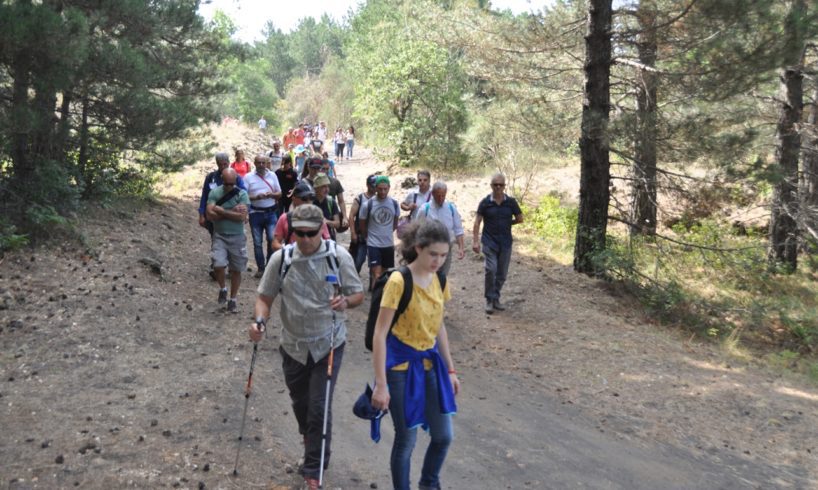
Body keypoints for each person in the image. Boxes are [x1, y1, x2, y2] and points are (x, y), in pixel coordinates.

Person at [249, 204, 365, 490]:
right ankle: (310, 438)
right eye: (298, 233)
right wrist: (259, 322)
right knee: (301, 405)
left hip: (329, 343)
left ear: (322, 231)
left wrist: (346, 302)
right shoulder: (282, 258)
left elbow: (358, 294)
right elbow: (265, 297)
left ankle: (314, 470)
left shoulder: (338, 258)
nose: (304, 239)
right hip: (292, 345)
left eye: (310, 233)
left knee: (318, 408)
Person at [371, 219, 460, 490]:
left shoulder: (441, 280)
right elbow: (379, 334)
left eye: (443, 255)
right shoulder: (399, 281)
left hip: (430, 365)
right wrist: (381, 385)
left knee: (444, 435)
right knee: (406, 439)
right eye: (433, 254)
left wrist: (451, 369)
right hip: (399, 370)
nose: (438, 261)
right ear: (418, 248)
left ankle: (428, 484)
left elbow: (439, 326)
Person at [472, 173, 523, 314]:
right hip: (489, 242)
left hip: (506, 242)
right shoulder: (485, 202)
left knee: (502, 274)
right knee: (491, 270)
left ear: (504, 186)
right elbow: (477, 222)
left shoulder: (511, 202)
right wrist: (475, 241)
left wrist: (508, 223)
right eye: (495, 185)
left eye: (501, 184)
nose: (498, 187)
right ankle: (489, 299)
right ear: (491, 186)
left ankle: (496, 298)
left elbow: (520, 218)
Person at [206, 168, 250, 313]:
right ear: (222, 181)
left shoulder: (242, 194)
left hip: (237, 236)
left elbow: (242, 218)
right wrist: (232, 211)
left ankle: (233, 299)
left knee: (236, 269)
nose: (229, 186)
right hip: (220, 235)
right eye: (227, 184)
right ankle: (223, 288)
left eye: (232, 184)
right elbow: (210, 214)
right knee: (218, 264)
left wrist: (222, 210)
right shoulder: (215, 192)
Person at [198, 152, 246, 277]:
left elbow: (244, 192)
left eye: (225, 163)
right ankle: (217, 265)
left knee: (231, 239)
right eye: (220, 164)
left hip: (231, 216)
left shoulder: (235, 177)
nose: (223, 166)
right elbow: (204, 196)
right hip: (213, 215)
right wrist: (201, 214)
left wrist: (244, 211)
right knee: (216, 239)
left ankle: (230, 266)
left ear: (229, 162)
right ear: (217, 164)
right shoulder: (211, 177)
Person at [245, 155, 282, 278]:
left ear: (266, 163)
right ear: (255, 163)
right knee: (257, 242)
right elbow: (243, 196)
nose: (261, 165)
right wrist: (256, 197)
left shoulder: (272, 175)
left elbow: (280, 193)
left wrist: (272, 195)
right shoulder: (248, 177)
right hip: (255, 213)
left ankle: (269, 266)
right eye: (259, 162)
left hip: (271, 212)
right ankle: (261, 268)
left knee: (272, 239)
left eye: (263, 162)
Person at [418, 182, 465, 276]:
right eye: (438, 195)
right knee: (429, 277)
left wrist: (461, 248)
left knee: (443, 277)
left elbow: (458, 229)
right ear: (433, 194)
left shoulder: (451, 209)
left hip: (446, 250)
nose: (441, 198)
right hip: (429, 250)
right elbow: (418, 231)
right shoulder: (424, 209)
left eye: (443, 195)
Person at [360, 176, 400, 289]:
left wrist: (385, 232)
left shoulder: (394, 204)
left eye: (385, 189)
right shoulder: (368, 204)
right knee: (377, 274)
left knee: (383, 274)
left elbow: (395, 223)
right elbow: (362, 223)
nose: (383, 191)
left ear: (389, 188)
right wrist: (367, 236)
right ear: (375, 188)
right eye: (380, 188)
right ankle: (376, 300)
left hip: (388, 244)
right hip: (373, 244)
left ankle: (380, 298)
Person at [272, 181, 331, 251]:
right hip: (292, 260)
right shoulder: (285, 218)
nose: (308, 201)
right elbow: (275, 243)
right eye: (304, 198)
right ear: (294, 199)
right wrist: (291, 251)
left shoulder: (318, 218)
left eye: (311, 198)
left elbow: (328, 242)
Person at [349, 175, 377, 273]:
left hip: (375, 236)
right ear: (367, 185)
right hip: (361, 236)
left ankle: (372, 286)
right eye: (373, 186)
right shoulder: (360, 198)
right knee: (358, 261)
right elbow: (351, 216)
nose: (374, 188)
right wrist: (353, 233)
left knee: (375, 263)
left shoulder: (380, 199)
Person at [313, 173, 341, 241]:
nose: (327, 189)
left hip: (329, 240)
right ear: (316, 188)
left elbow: (337, 223)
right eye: (323, 187)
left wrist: (326, 222)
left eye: (327, 186)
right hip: (313, 240)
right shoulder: (309, 202)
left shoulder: (331, 201)